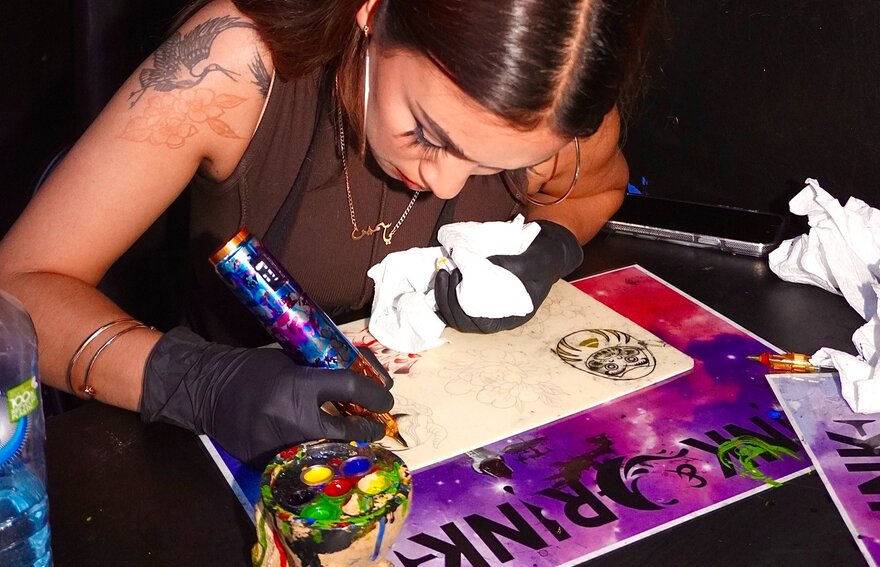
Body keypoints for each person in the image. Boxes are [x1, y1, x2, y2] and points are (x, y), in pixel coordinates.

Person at [0, 0, 652, 466]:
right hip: (203, 457)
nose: (448, 184)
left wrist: (549, 244)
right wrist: (191, 381)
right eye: (426, 132)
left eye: (493, 165)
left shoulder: (557, 91)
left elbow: (595, 189)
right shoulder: (233, 65)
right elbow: (15, 288)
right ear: (373, 14)